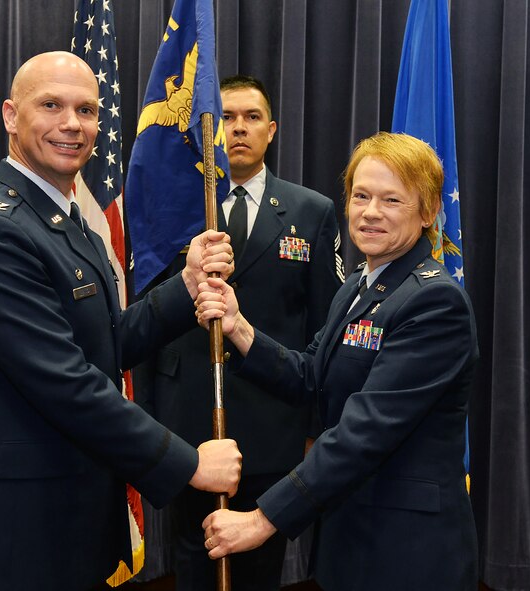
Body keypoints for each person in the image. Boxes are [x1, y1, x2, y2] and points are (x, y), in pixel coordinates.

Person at [0, 51, 242, 591]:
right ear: (9, 115)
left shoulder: (65, 220)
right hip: (12, 535)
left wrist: (185, 288)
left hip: (65, 519)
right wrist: (187, 464)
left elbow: (104, 343)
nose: (73, 124)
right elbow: (66, 383)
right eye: (51, 105)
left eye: (87, 110)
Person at [195, 132, 479, 590]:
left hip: (406, 549)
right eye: (361, 195)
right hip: (352, 529)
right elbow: (312, 376)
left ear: (428, 213)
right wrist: (238, 327)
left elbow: (364, 430)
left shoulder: (435, 302)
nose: (370, 212)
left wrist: (263, 518)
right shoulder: (359, 286)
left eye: (392, 200)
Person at [133, 75, 343, 591]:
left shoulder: (310, 212)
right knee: (192, 557)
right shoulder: (173, 210)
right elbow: (146, 319)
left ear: (271, 131)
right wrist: (148, 417)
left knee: (259, 565)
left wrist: (315, 426)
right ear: (208, 131)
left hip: (273, 422)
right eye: (225, 118)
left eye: (251, 118)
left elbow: (323, 327)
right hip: (186, 423)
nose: (238, 129)